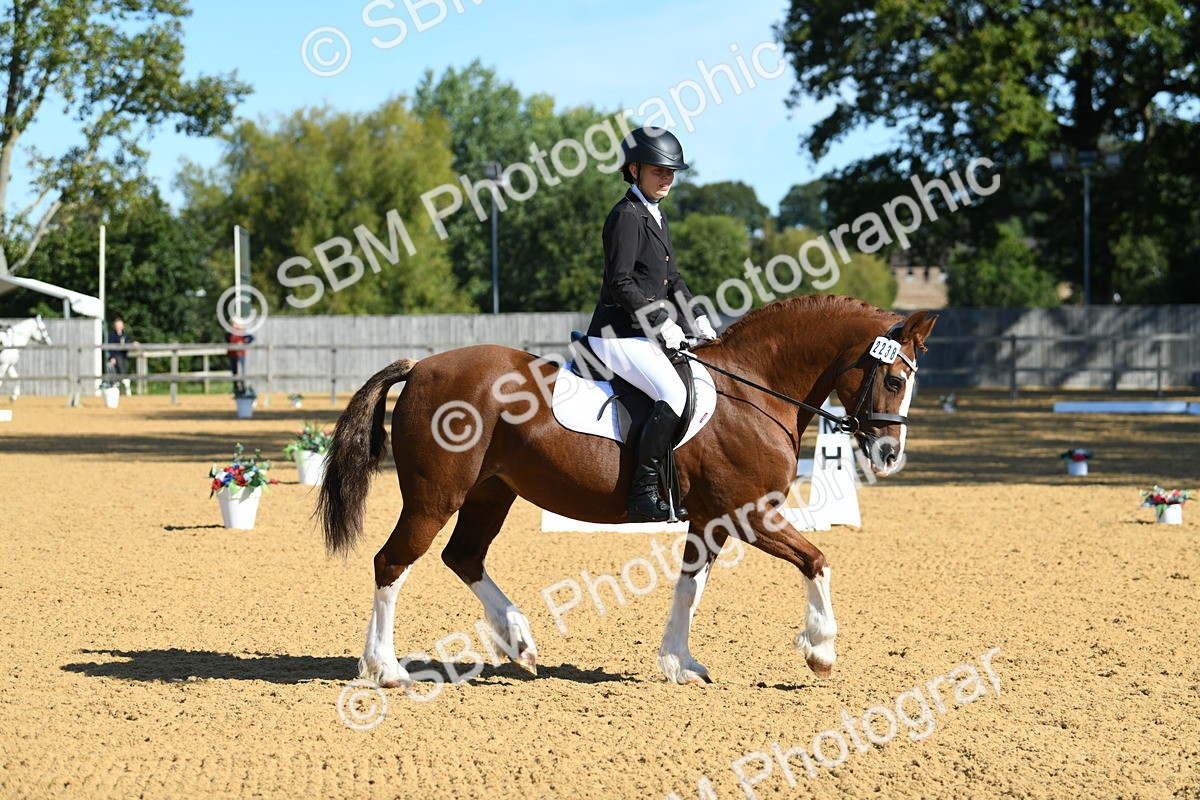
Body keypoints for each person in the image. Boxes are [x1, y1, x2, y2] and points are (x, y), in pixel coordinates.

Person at [586, 127, 719, 523]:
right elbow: (621, 282)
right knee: (673, 395)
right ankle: (643, 494)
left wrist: (697, 317)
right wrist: (662, 321)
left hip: (644, 333)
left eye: (672, 171)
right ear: (634, 169)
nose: (668, 178)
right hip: (617, 333)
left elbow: (673, 280)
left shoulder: (655, 216)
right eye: (659, 170)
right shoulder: (626, 216)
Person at [105, 318, 134, 395]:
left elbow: (127, 344)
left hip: (123, 356)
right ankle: (122, 387)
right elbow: (110, 347)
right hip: (116, 356)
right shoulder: (112, 335)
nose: (119, 326)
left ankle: (123, 389)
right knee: (120, 372)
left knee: (122, 372)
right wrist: (112, 357)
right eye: (117, 325)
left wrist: (133, 344)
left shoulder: (124, 334)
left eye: (120, 325)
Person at [226, 321, 255, 395]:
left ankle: (243, 387)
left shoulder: (242, 332)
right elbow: (227, 340)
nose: (233, 325)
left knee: (242, 371)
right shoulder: (230, 333)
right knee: (234, 371)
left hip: (241, 354)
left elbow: (251, 338)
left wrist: (244, 343)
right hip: (232, 355)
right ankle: (235, 388)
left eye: (234, 324)